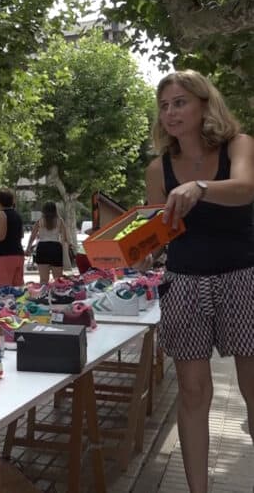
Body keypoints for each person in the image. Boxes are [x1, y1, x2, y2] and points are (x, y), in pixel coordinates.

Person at [144, 70, 254, 493]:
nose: (170, 112)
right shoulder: (159, 169)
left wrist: (200, 187)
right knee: (192, 393)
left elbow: (245, 189)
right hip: (184, 283)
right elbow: (158, 233)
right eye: (164, 105)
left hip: (242, 277)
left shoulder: (238, 146)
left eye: (180, 102)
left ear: (205, 104)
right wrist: (134, 250)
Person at [0, 188, 25, 288]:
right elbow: (21, 234)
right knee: (18, 289)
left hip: (4, 256)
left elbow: (1, 236)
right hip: (18, 255)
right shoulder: (16, 215)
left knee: (4, 291)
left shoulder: (2, 214)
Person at [24, 201, 69, 284]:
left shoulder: (40, 221)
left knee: (43, 280)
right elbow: (65, 238)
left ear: (44, 210)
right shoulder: (60, 220)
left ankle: (43, 295)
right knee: (57, 279)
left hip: (42, 247)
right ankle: (57, 295)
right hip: (56, 248)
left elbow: (32, 236)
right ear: (55, 210)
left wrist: (28, 248)